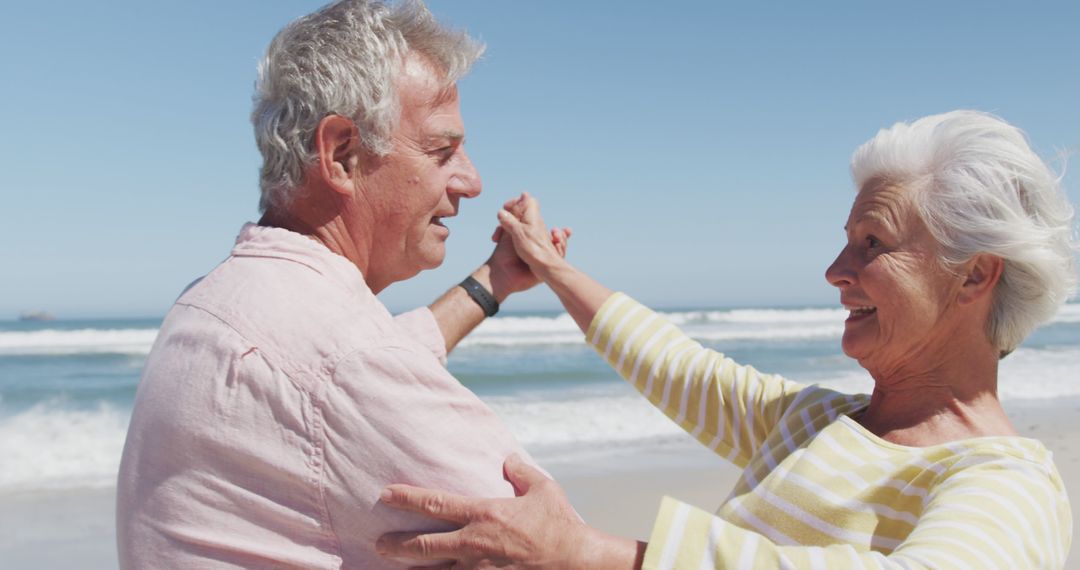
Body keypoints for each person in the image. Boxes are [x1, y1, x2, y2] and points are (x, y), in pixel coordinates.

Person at [376, 111, 1076, 568]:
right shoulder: (814, 425)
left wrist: (585, 552)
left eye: (874, 244)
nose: (836, 272)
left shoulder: (1005, 482)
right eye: (845, 243)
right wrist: (549, 269)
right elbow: (676, 365)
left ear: (973, 276)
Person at [116, 1, 568, 567]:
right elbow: (544, 542)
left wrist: (493, 281)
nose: (472, 182)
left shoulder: (213, 301)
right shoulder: (344, 358)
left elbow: (368, 368)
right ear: (342, 155)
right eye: (442, 151)